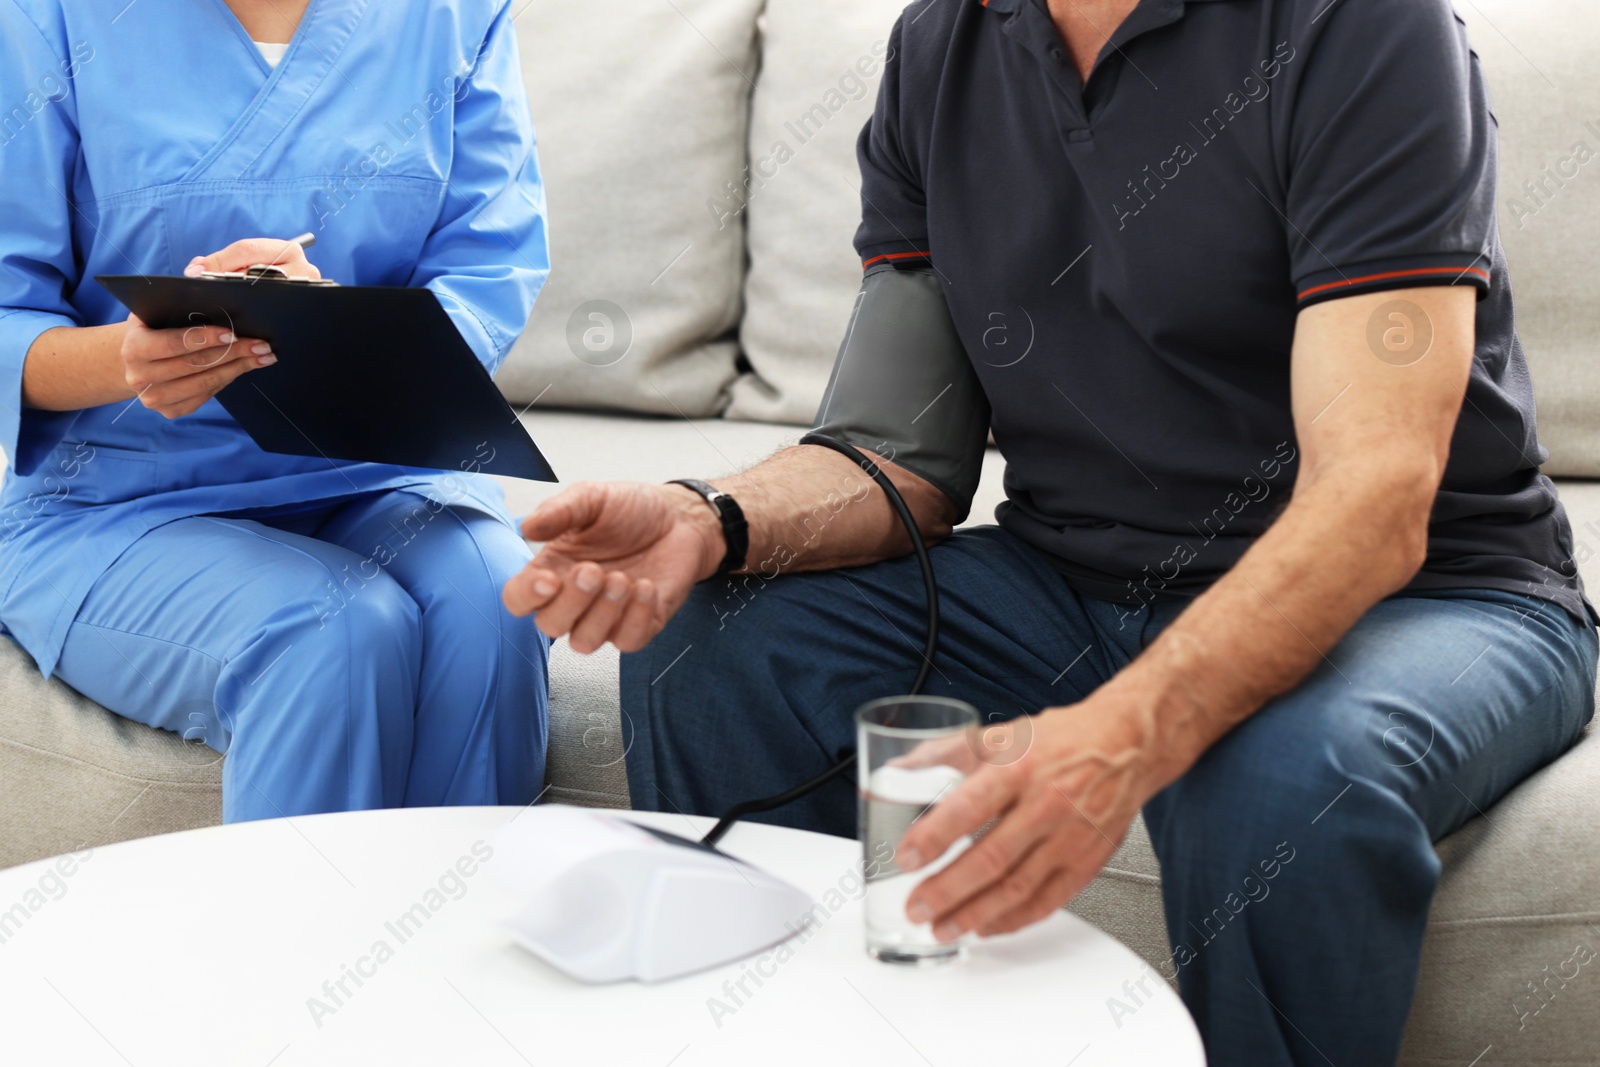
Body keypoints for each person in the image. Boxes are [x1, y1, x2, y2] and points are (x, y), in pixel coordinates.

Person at [501, 0, 1597, 1063]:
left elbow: (1373, 501)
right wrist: (710, 517)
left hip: (1428, 596)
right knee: (713, 638)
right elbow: (897, 455)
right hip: (1069, 578)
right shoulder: (940, 46)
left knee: (1277, 779)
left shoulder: (1359, 29)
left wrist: (1125, 730)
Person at [0, 0, 550, 821]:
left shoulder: (456, 15)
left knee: (497, 604)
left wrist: (329, 326)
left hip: (378, 468)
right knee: (331, 634)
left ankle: (448, 941)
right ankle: (292, 951)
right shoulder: (46, 17)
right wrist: (127, 357)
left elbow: (487, 270)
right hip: (113, 502)